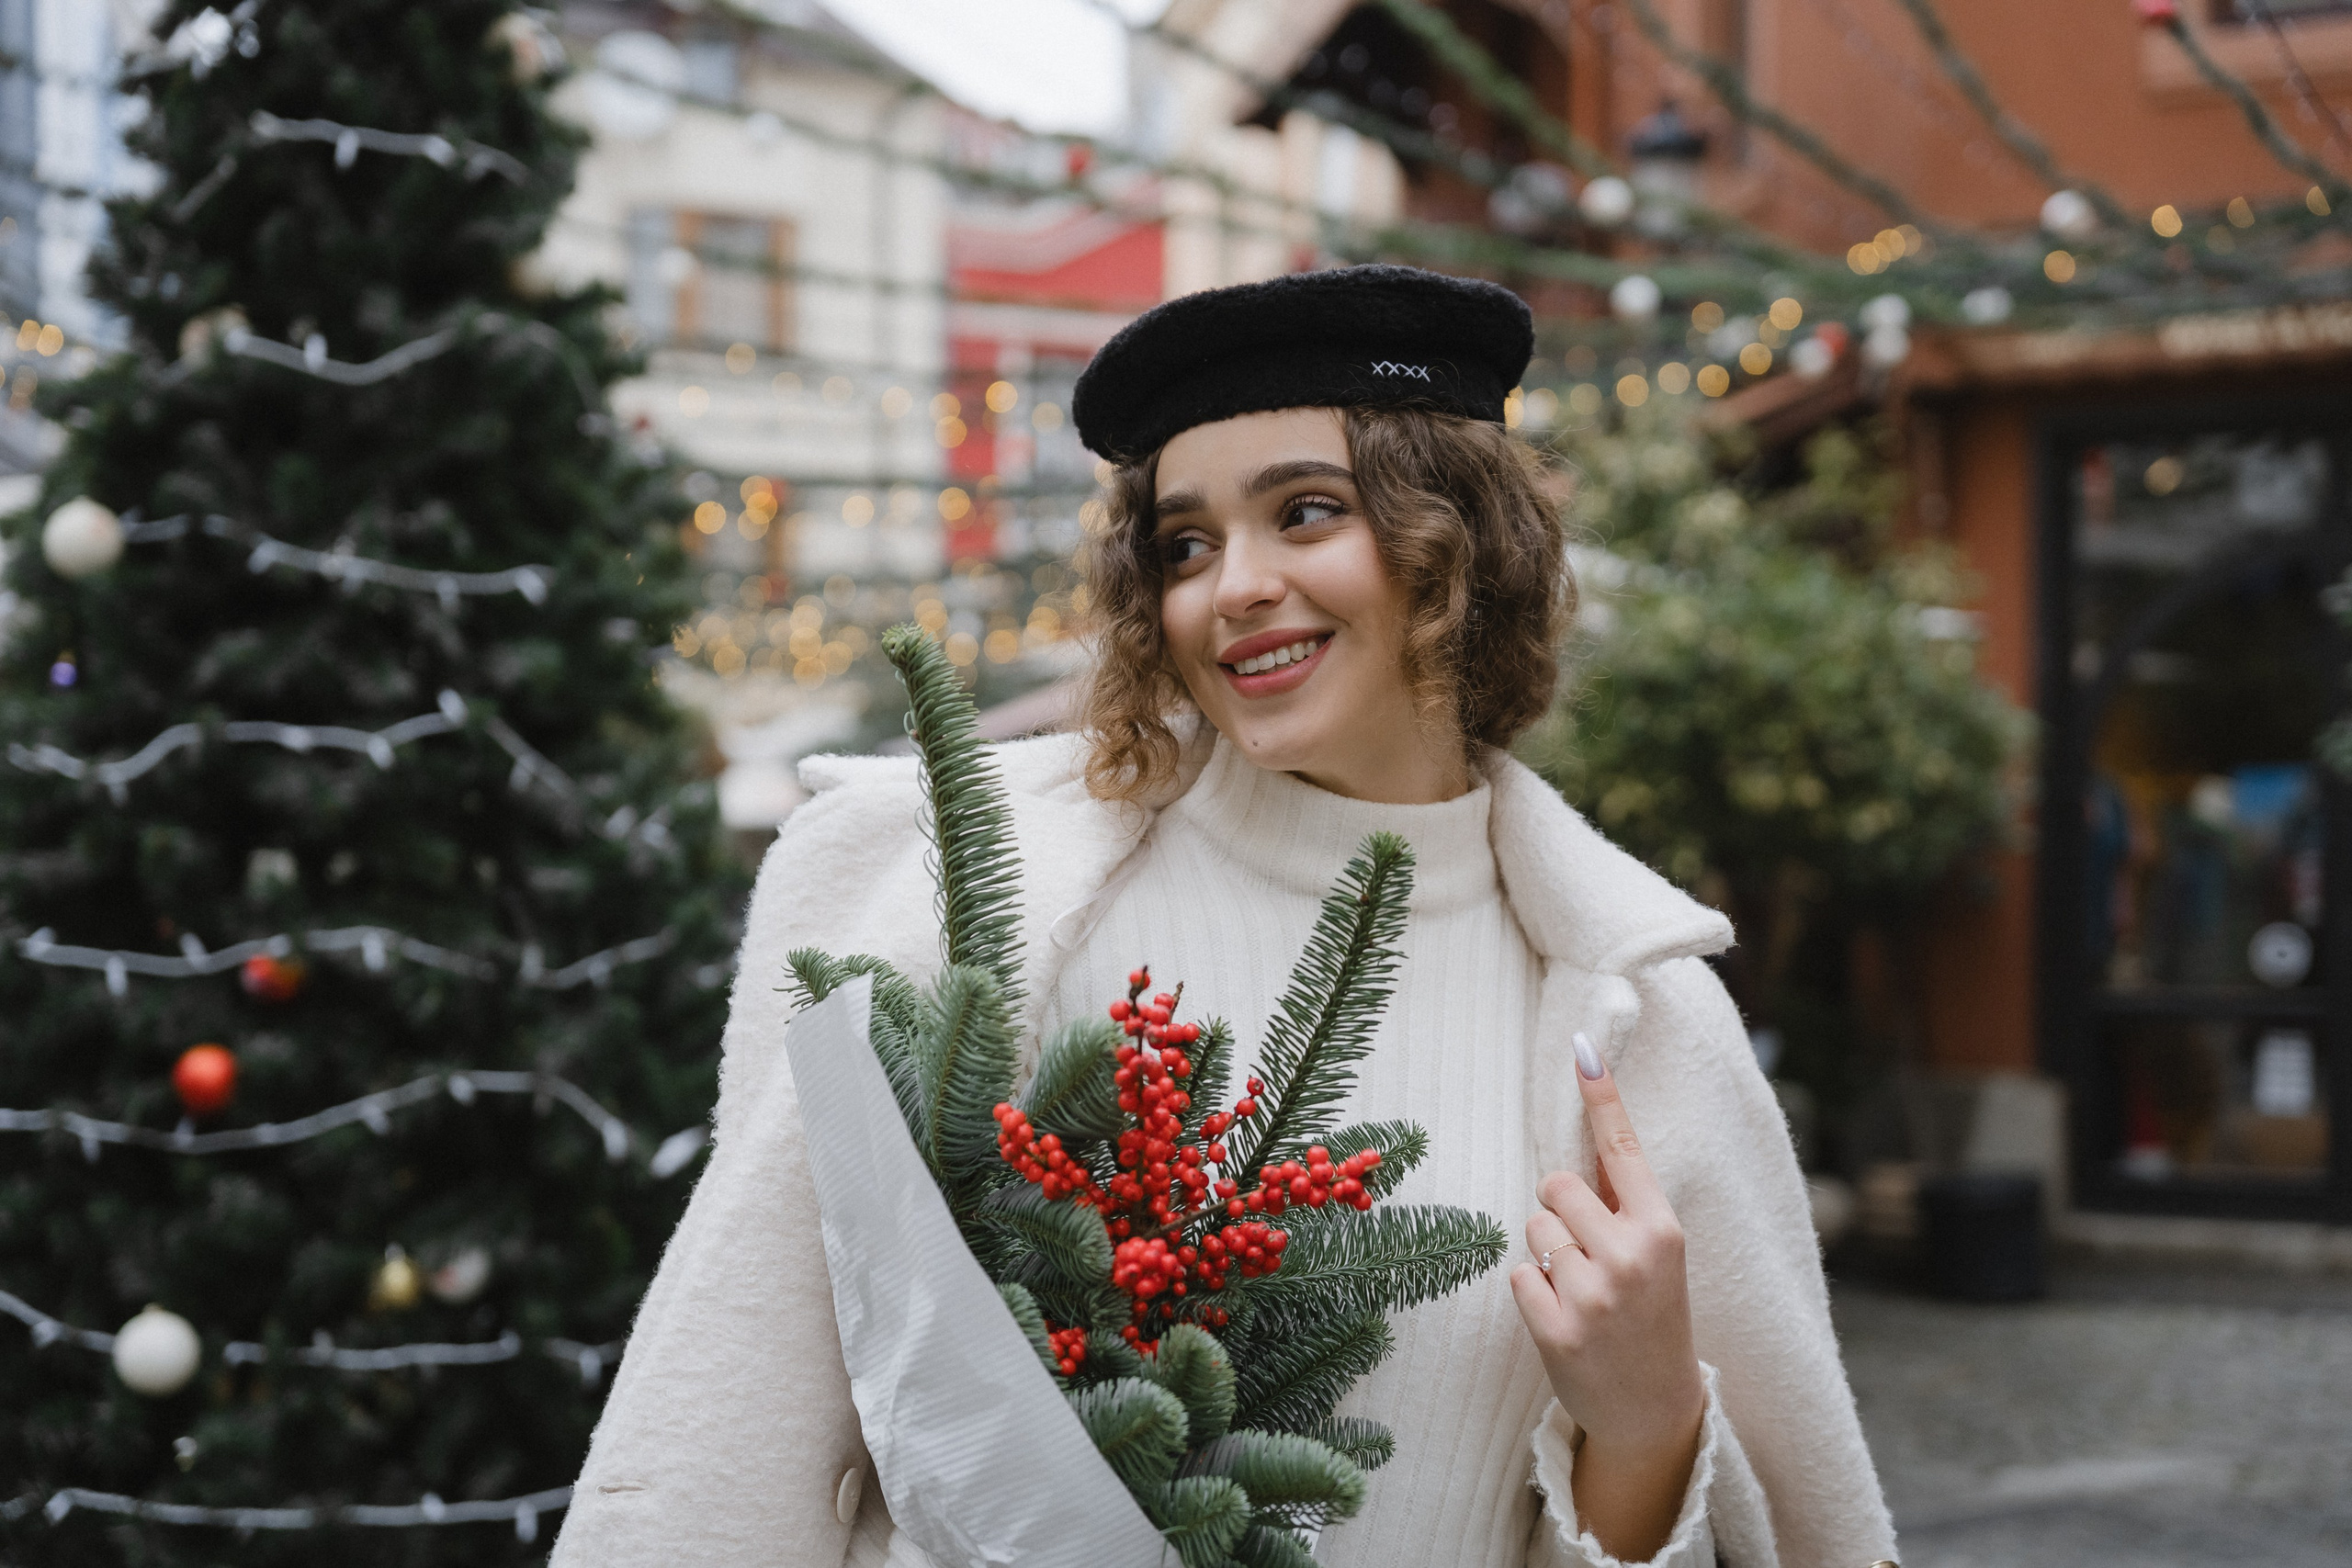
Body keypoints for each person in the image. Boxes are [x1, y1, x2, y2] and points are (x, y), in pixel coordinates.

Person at [552, 265, 1899, 1568]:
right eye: (1185, 542)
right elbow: (745, 1418)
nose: (1232, 585)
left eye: (1306, 512)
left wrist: (1650, 1419)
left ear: (1459, 544)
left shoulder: (1636, 1011)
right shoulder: (985, 903)